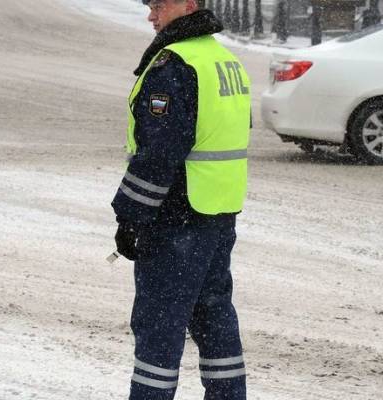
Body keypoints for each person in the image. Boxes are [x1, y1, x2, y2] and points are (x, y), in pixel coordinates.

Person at [111, 0, 251, 399]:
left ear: (190, 4)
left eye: (160, 5)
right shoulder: (224, 60)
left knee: (159, 323)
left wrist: (131, 216)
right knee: (214, 316)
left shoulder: (174, 65)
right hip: (217, 211)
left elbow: (159, 151)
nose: (151, 15)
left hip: (176, 217)